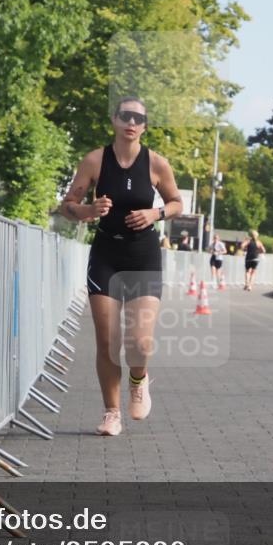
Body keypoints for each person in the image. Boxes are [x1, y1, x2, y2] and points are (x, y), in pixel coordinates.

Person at [59, 97, 182, 435]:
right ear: (114, 119)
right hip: (106, 256)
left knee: (140, 342)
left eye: (138, 118)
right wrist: (88, 210)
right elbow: (67, 205)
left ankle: (138, 381)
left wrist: (155, 213)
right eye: (125, 116)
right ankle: (111, 412)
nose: (131, 122)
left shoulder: (156, 163)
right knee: (107, 340)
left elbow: (176, 203)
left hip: (142, 256)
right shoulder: (95, 161)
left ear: (144, 126)